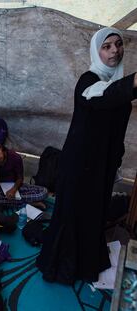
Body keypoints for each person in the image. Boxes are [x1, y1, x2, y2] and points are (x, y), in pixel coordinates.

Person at [37, 27, 137, 284]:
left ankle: (88, 260)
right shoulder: (88, 81)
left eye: (118, 44)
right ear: (96, 51)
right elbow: (105, 97)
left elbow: (118, 99)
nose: (115, 50)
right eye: (107, 47)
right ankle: (63, 267)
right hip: (80, 164)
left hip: (102, 163)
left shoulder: (117, 83)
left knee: (94, 212)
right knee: (73, 213)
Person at [0, 140, 48, 207]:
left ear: (0, 147)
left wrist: (13, 190)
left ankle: (16, 202)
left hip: (16, 185)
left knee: (44, 192)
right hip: (0, 190)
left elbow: (20, 178)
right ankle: (30, 203)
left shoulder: (14, 157)